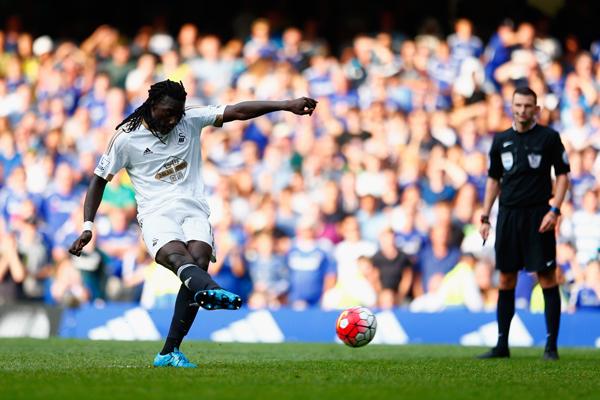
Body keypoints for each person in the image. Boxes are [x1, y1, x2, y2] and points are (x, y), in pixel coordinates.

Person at [69, 79, 317, 368]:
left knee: (197, 262)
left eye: (177, 113)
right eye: (167, 113)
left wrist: (286, 105)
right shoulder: (126, 137)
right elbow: (99, 179)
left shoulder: (189, 119)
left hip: (194, 210)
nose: (172, 120)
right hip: (156, 214)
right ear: (152, 105)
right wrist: (88, 225)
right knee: (179, 259)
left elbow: (237, 111)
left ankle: (169, 351)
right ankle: (211, 289)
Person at [478, 87, 570, 360]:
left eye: (528, 106)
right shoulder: (500, 140)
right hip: (508, 216)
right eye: (518, 105)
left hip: (538, 215)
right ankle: (501, 346)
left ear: (536, 109)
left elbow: (563, 175)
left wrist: (555, 210)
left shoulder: (549, 138)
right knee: (506, 278)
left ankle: (551, 347)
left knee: (546, 277)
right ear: (512, 107)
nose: (522, 110)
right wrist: (485, 216)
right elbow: (494, 179)